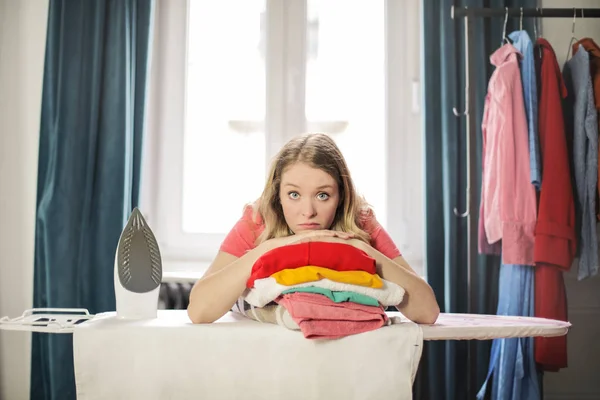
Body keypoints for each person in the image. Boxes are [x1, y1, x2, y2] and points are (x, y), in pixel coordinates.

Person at [187, 133, 440, 325]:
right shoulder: (258, 220)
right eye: (294, 194)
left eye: (322, 195)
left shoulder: (359, 221)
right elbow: (199, 311)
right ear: (278, 194)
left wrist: (358, 248)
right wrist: (273, 247)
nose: (308, 211)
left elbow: (427, 312)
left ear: (341, 196)